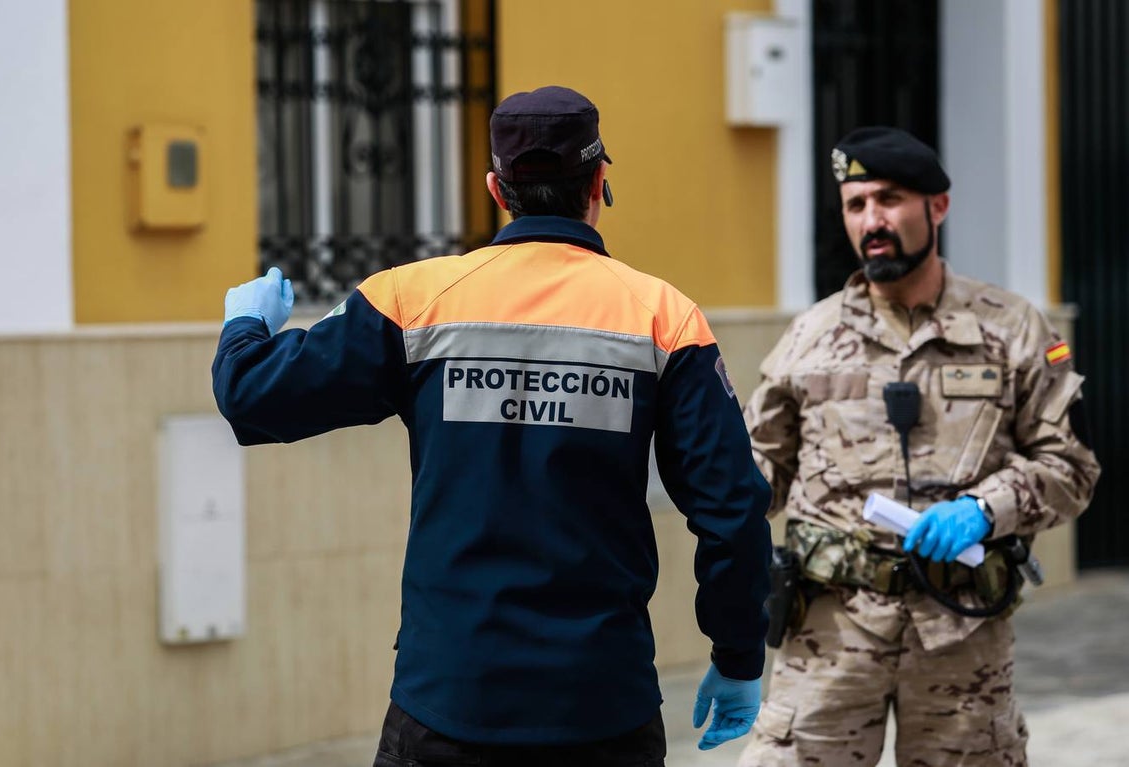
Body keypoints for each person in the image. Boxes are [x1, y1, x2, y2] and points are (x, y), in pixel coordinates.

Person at [212, 85, 774, 766]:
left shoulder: (411, 302)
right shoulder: (664, 317)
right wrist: (738, 653)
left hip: (449, 703)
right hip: (602, 706)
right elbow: (733, 508)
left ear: (495, 188)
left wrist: (247, 323)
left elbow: (251, 396)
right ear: (598, 184)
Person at [737, 126, 1100, 766]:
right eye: (856, 205)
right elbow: (756, 476)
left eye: (890, 199)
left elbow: (1070, 467)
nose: (872, 221)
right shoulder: (809, 337)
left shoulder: (1010, 328)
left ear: (938, 205)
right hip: (830, 636)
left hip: (961, 634)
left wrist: (986, 510)